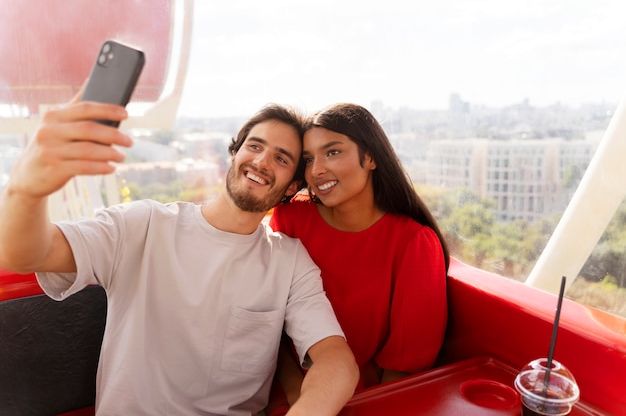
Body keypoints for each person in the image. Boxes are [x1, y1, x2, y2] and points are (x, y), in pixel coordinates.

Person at [0, 94, 359, 416]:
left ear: (292, 186)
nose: (262, 161)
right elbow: (30, 254)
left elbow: (335, 360)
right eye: (254, 146)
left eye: (281, 158)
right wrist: (26, 191)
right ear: (235, 154)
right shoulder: (144, 225)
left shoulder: (289, 261)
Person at [268, 102, 449, 409]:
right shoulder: (290, 220)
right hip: (285, 393)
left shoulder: (414, 243)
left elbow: (402, 369)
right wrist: (299, 392)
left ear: (371, 157)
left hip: (364, 403)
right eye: (309, 159)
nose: (316, 170)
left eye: (333, 152)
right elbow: (269, 326)